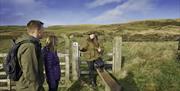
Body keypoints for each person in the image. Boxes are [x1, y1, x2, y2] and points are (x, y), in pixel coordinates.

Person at [16, 20, 45, 91]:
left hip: (28, 85)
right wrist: (36, 88)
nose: (43, 32)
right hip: (29, 87)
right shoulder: (29, 46)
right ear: (37, 31)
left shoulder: (30, 44)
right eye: (42, 30)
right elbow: (30, 72)